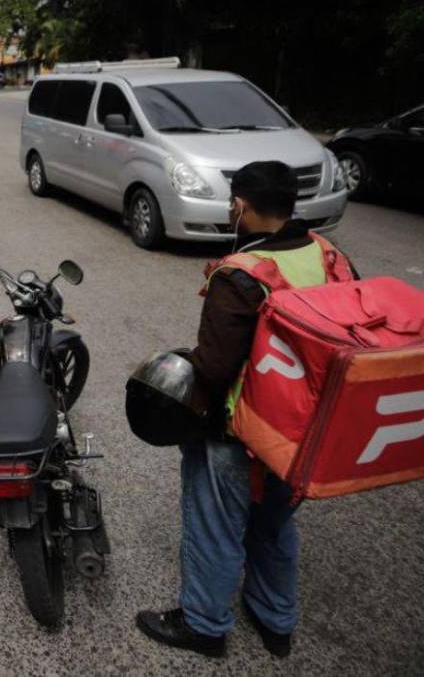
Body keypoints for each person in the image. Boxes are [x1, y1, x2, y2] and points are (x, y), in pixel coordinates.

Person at [136, 161, 356, 660]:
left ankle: (205, 625)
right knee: (274, 522)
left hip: (242, 429)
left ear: (241, 205)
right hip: (304, 428)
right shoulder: (328, 254)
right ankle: (276, 620)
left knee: (216, 522)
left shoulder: (240, 274)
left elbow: (213, 369)